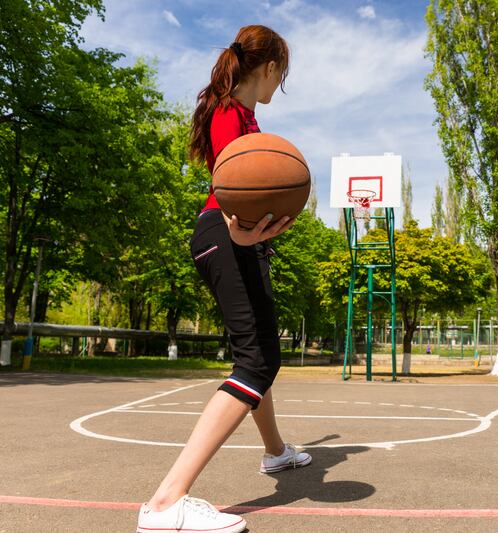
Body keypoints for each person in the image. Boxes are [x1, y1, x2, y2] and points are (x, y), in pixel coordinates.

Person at [137, 25, 311, 533]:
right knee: (257, 359)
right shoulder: (228, 110)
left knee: (255, 352)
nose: (281, 84)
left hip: (239, 237)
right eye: (283, 74)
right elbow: (228, 182)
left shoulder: (243, 114)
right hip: (227, 234)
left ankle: (275, 452)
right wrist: (241, 233)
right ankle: (167, 501)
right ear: (273, 68)